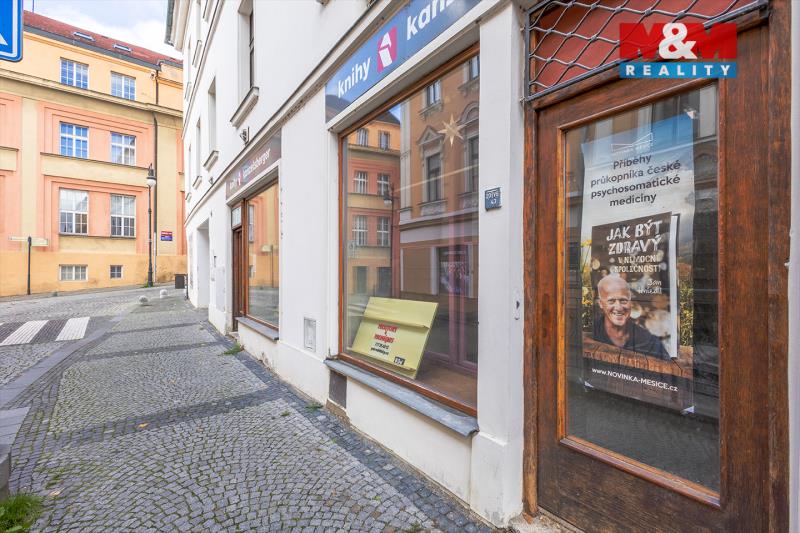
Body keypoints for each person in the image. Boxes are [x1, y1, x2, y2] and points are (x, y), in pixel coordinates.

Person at [592, 275, 670, 360]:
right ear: (601, 304)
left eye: (623, 300)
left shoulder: (650, 342)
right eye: (611, 301)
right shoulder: (591, 332)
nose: (619, 307)